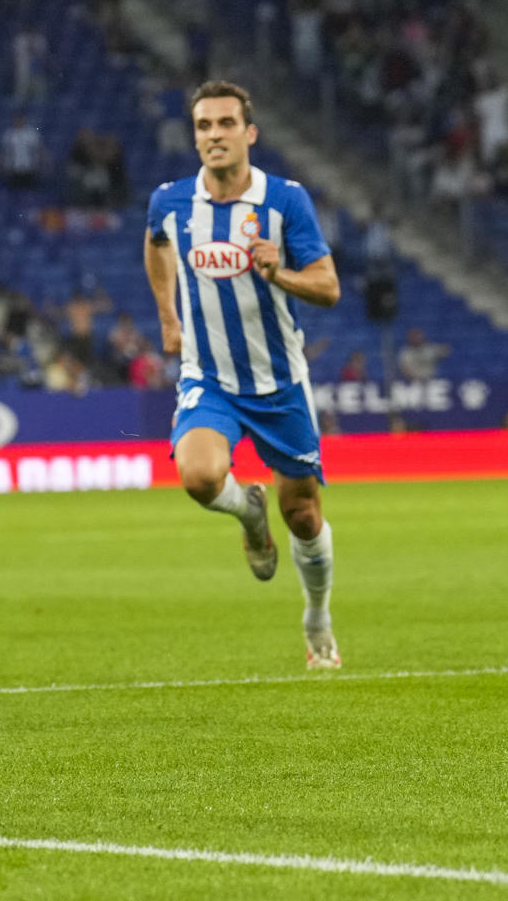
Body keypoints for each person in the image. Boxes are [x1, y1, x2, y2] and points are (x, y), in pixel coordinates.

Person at [143, 81, 343, 669]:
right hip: (210, 376)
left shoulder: (285, 201)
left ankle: (317, 620)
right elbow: (156, 247)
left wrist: (279, 274)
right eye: (204, 126)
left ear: (249, 133)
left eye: (226, 124)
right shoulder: (171, 202)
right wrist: (168, 318)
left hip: (280, 381)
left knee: (303, 514)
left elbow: (328, 287)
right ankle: (246, 512)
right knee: (200, 478)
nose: (214, 135)